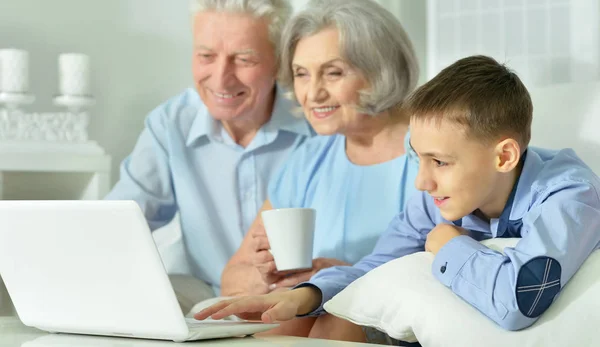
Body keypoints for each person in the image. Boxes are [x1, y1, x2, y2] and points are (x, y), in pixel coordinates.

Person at [196, 55, 600, 342]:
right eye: (417, 158)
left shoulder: (569, 196)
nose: (422, 182)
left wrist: (449, 244)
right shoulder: (437, 197)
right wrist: (302, 295)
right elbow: (375, 268)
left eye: (439, 161)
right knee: (321, 322)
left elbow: (519, 299)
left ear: (504, 156)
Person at [105, 0, 313, 311]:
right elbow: (118, 224)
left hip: (295, 298)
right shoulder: (170, 125)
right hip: (206, 295)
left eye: (244, 59)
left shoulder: (314, 126)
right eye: (206, 56)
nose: (221, 78)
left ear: (279, 62)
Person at [218, 0, 419, 341]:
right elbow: (232, 276)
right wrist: (267, 276)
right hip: (313, 317)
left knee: (337, 321)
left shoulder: (429, 151)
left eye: (333, 73)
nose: (312, 93)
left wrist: (342, 277)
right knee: (281, 319)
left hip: (394, 319)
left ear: (380, 69)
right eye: (301, 74)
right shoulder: (307, 159)